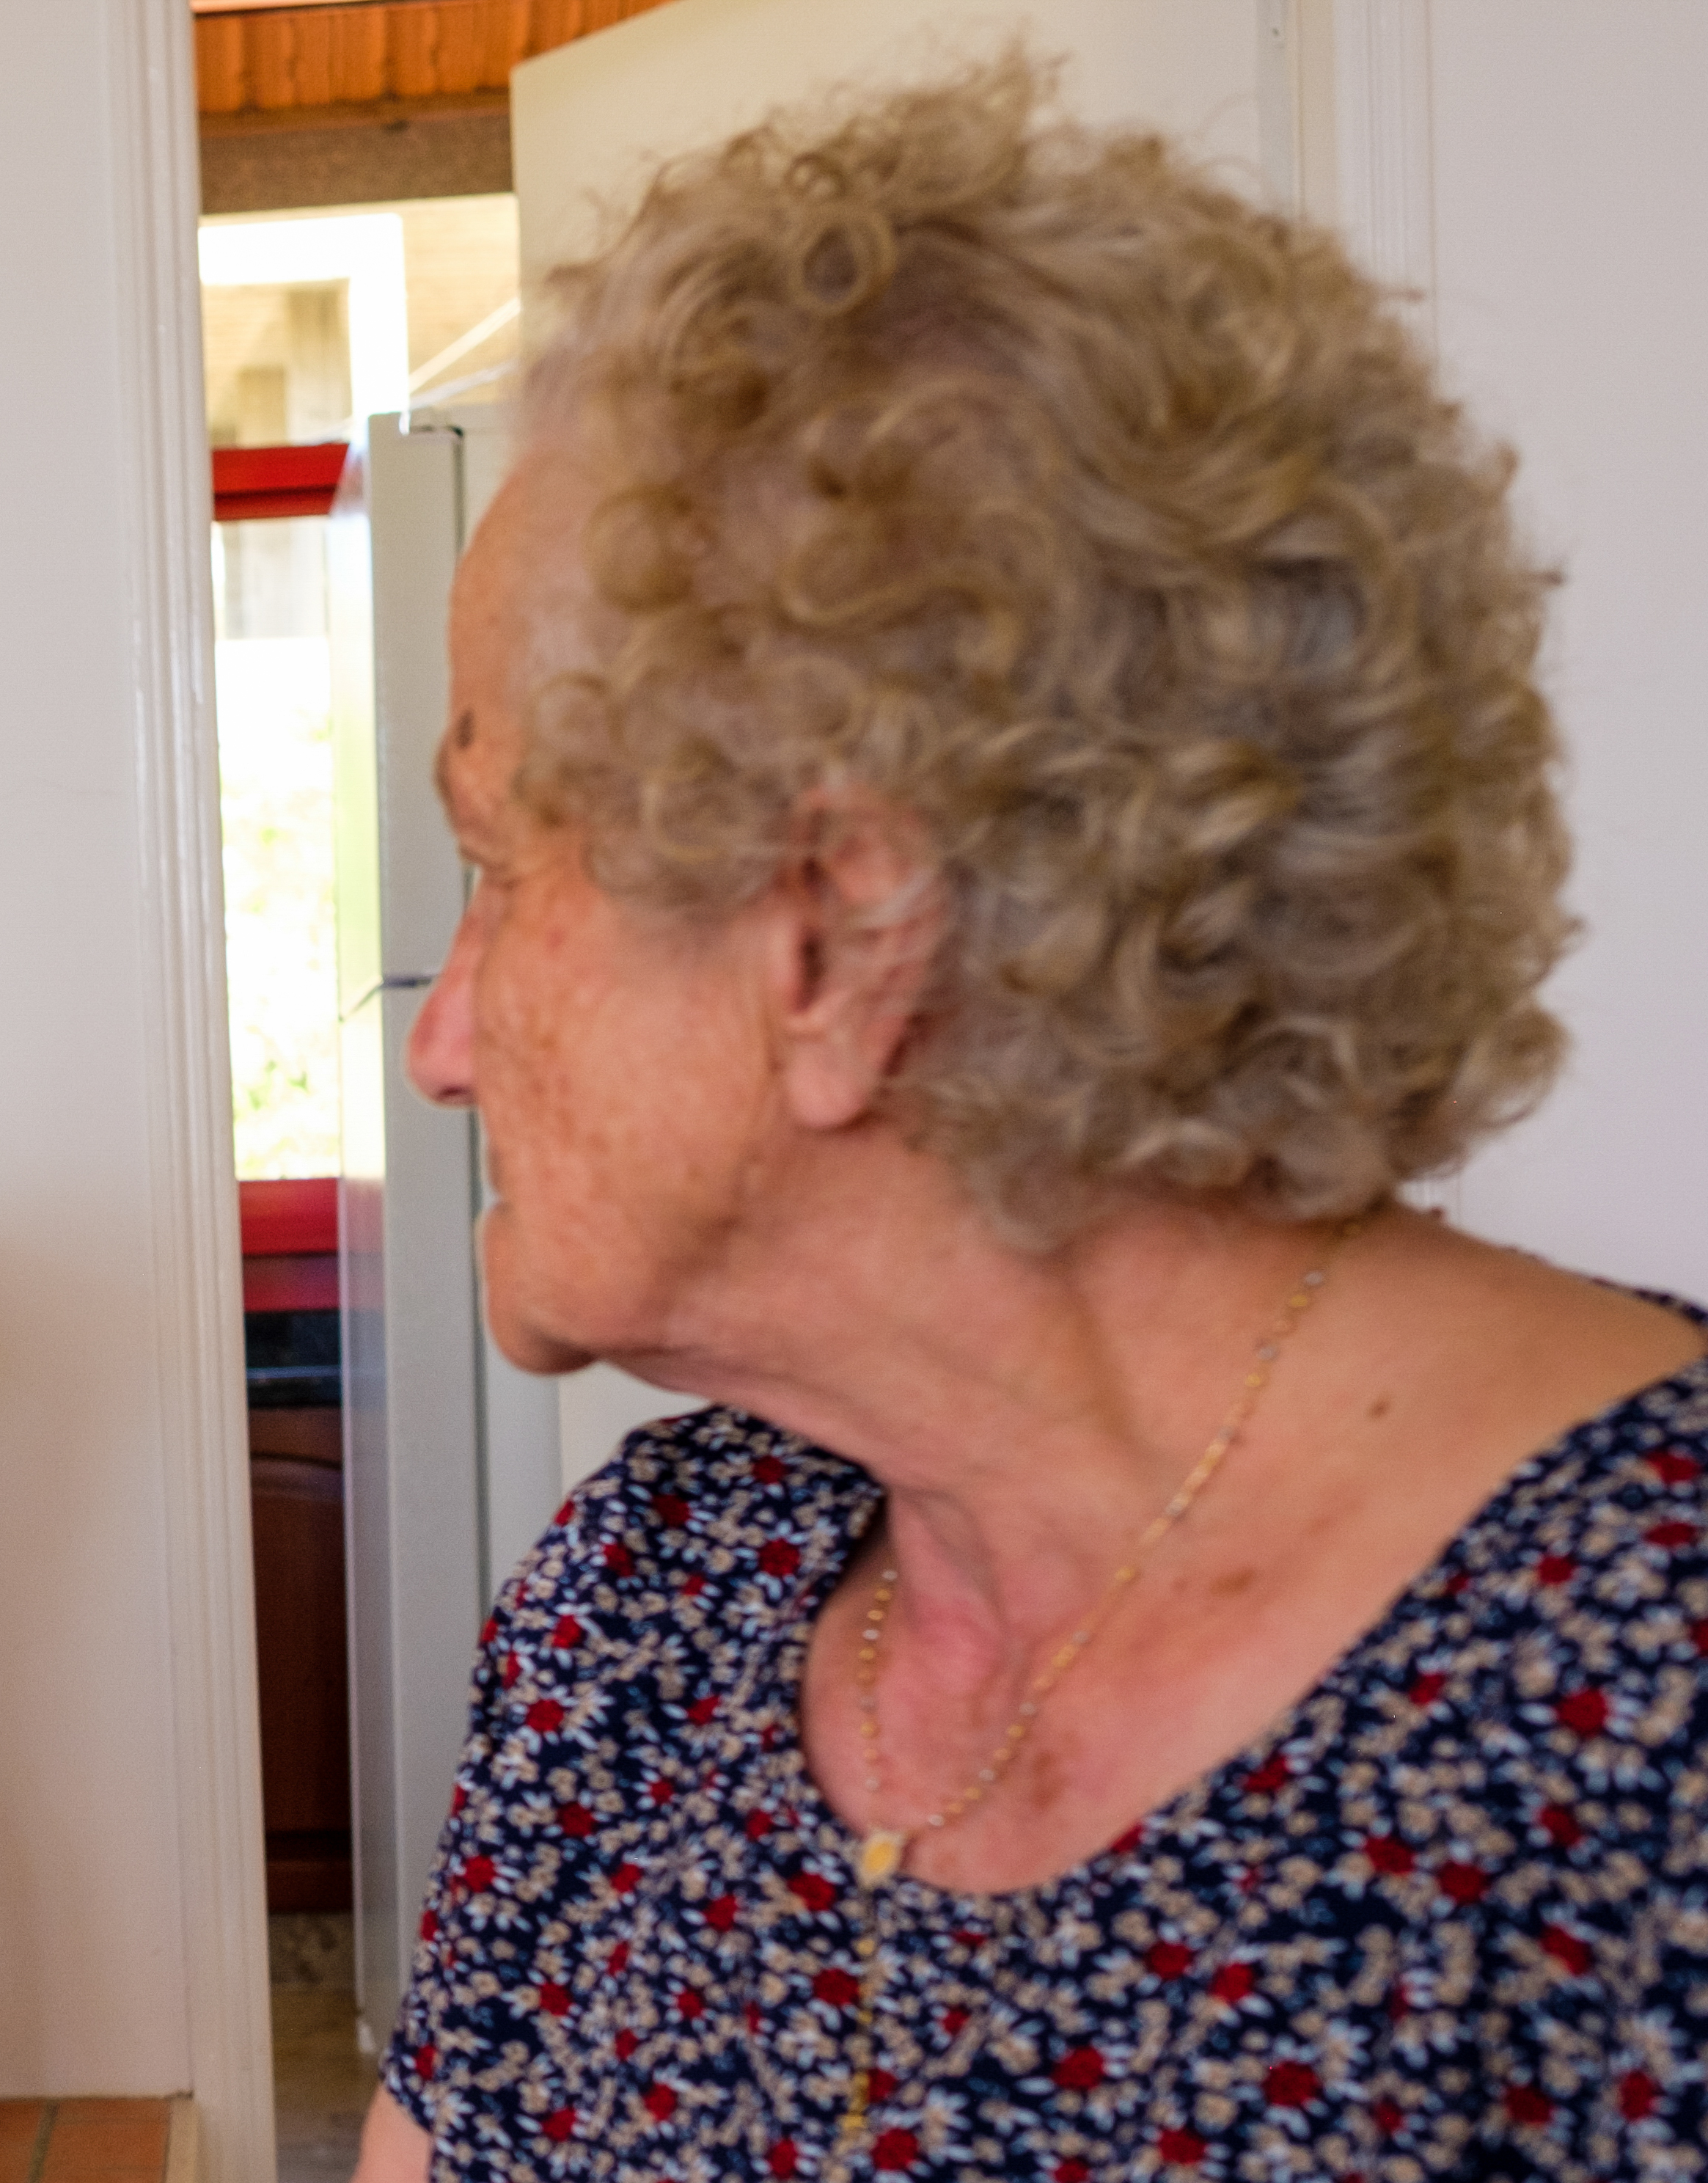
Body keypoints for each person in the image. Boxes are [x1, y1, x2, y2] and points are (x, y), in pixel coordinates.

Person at [359, 57, 1708, 2183]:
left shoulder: (1651, 1700)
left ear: (839, 933)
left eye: (496, 867)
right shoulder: (642, 1609)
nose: (440, 1044)